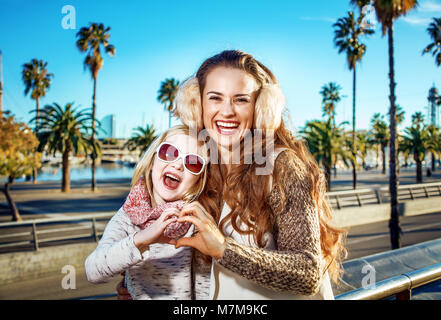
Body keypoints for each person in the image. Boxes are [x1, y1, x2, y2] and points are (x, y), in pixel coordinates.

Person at [118, 50, 347, 300]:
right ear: (198, 104)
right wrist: (141, 285)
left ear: (261, 108)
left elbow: (307, 272)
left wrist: (224, 249)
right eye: (215, 98)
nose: (227, 112)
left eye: (241, 100)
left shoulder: (283, 166)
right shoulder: (196, 168)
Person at [85, 125, 215, 300]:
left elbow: (204, 291)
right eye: (169, 152)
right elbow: (93, 271)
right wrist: (142, 238)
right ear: (153, 161)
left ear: (198, 180)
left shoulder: (196, 222)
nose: (177, 165)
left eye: (193, 162)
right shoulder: (127, 216)